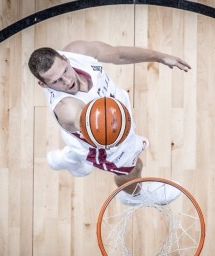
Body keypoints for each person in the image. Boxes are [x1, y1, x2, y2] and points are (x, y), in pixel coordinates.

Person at [28, 40, 190, 205]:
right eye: (56, 82)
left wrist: (161, 57)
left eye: (65, 71)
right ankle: (134, 197)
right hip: (101, 141)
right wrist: (131, 144)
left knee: (80, 148)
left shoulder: (78, 51)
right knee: (133, 168)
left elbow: (118, 54)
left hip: (110, 119)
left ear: (66, 58)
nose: (67, 81)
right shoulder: (67, 109)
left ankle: (71, 157)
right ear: (43, 84)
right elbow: (97, 129)